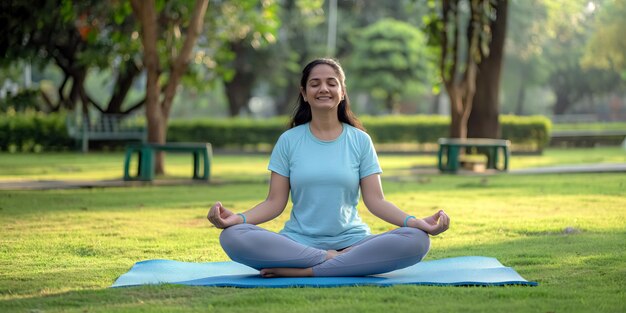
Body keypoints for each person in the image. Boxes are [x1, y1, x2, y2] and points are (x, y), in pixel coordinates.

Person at [207, 58, 450, 278]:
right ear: (304, 93)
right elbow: (274, 203)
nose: (323, 89)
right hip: (297, 244)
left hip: (354, 242)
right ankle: (332, 261)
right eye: (315, 83)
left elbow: (377, 201)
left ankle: (307, 271)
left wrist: (414, 222)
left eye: (331, 83)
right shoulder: (289, 140)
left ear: (342, 92)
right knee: (232, 236)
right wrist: (238, 219)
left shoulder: (360, 140)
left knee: (417, 240)